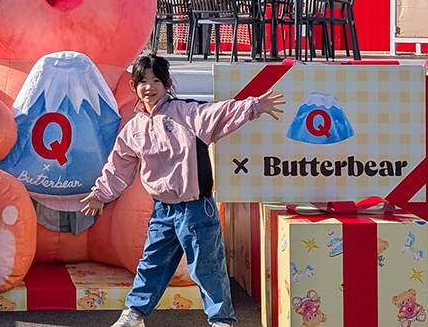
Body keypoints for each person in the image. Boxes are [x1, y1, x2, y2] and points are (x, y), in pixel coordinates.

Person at [80, 53, 284, 327]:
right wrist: (99, 194)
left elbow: (219, 112)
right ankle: (135, 314)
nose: (149, 87)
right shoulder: (134, 129)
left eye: (155, 80)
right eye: (142, 81)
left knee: (207, 266)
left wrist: (253, 106)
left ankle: (222, 320)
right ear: (134, 86)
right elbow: (118, 166)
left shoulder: (187, 113)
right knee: (152, 263)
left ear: (167, 83)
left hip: (196, 208)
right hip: (162, 211)